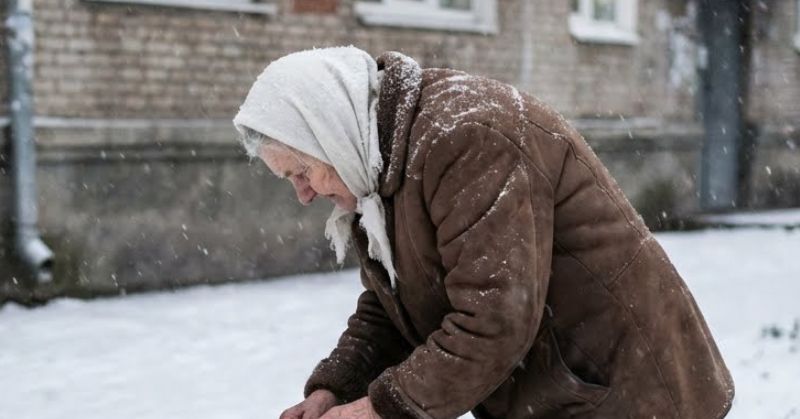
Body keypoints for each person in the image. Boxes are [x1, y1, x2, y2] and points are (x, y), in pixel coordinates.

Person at [233, 47, 734, 419]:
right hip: (556, 393)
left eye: (300, 171)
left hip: (624, 389)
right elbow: (393, 309)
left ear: (329, 131)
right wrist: (335, 390)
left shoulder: (467, 136)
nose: (303, 194)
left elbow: (495, 319)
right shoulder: (373, 170)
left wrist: (379, 410)